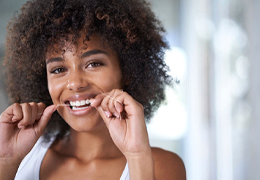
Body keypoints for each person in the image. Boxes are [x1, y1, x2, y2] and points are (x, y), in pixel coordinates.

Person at [0, 0, 186, 179]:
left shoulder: (162, 165)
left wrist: (137, 156)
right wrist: (6, 161)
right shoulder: (21, 158)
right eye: (58, 69)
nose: (75, 83)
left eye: (93, 64)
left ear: (127, 71)